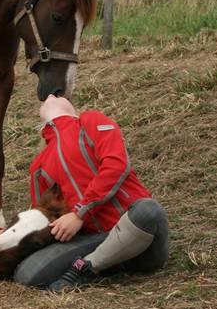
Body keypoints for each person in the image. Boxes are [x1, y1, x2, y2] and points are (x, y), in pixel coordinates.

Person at [13, 95, 169, 291]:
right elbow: (43, 217)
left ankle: (85, 267)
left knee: (149, 210)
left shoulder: (91, 121)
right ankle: (100, 265)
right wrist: (8, 237)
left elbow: (115, 164)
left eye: (58, 94)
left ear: (72, 109)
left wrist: (80, 213)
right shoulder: (38, 164)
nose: (51, 94)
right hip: (94, 241)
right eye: (49, 96)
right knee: (26, 274)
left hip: (139, 235)